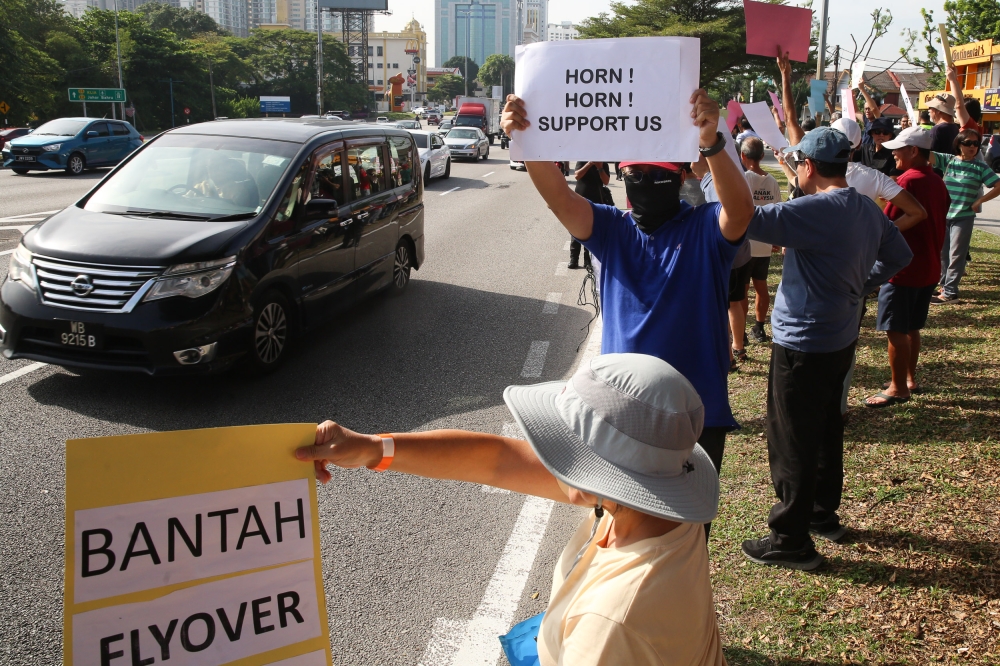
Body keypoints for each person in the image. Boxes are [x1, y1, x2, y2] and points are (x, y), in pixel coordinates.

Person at [296, 354, 728, 666]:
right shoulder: (658, 511)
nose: (549, 454)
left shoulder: (610, 627)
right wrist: (373, 449)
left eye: (563, 445)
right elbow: (498, 459)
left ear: (608, 474)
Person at [500, 89, 756, 527]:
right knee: (616, 534)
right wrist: (523, 141)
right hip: (619, 414)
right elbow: (560, 199)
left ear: (680, 180)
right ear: (621, 176)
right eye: (632, 172)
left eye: (653, 173)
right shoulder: (611, 230)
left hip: (695, 413)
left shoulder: (704, 229)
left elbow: (741, 210)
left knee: (685, 539)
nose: (641, 180)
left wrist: (711, 141)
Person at [739, 126, 913, 569]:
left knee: (791, 438)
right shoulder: (865, 207)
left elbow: (745, 217)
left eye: (797, 164)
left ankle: (789, 539)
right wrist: (861, 283)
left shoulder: (814, 209)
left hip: (803, 342)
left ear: (808, 166)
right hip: (840, 337)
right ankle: (820, 513)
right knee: (826, 426)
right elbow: (900, 256)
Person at [830, 117, 928, 415]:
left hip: (814, 270)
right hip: (856, 270)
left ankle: (818, 408)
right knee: (846, 339)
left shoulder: (808, 174)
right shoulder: (871, 177)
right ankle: (838, 407)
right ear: (858, 144)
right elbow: (917, 212)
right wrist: (880, 238)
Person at [866, 127, 948, 407]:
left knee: (895, 329)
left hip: (903, 270)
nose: (894, 154)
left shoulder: (908, 181)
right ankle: (909, 379)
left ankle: (898, 387)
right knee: (912, 327)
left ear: (914, 151)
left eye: (899, 149)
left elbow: (885, 224)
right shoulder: (936, 180)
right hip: (928, 267)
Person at [930, 129, 1000, 304]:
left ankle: (950, 292)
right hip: (944, 215)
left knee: (957, 254)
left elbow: (998, 185)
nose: (972, 147)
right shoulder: (948, 161)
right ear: (958, 144)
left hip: (964, 216)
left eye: (976, 144)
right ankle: (944, 285)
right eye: (968, 143)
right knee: (942, 253)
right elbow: (927, 154)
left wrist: (979, 201)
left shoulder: (980, 167)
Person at [736, 137, 781, 347]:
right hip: (764, 242)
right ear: (762, 156)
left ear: (742, 156)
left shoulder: (743, 178)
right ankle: (760, 327)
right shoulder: (772, 181)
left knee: (743, 289)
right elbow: (777, 212)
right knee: (761, 287)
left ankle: (741, 331)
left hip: (745, 243)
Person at [569, 161, 611, 269]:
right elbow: (577, 176)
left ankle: (588, 260)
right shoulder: (582, 160)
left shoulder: (603, 163)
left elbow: (606, 181)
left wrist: (600, 168)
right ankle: (574, 258)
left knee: (591, 230)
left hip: (596, 202)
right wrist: (589, 164)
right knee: (576, 228)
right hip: (579, 200)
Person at [857, 77, 883, 147]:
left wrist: (862, 89)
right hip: (864, 152)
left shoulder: (880, 120)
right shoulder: (867, 120)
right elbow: (856, 112)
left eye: (869, 108)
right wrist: (852, 93)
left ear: (879, 108)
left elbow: (874, 108)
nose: (867, 111)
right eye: (865, 109)